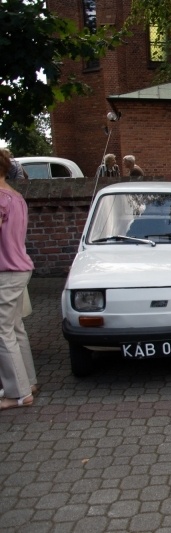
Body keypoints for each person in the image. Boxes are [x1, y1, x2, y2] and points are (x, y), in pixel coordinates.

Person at [0, 150, 38, 411]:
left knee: (2, 331)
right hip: (19, 268)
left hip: (6, 270)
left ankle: (18, 393)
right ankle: (29, 382)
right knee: (14, 327)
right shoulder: (16, 197)